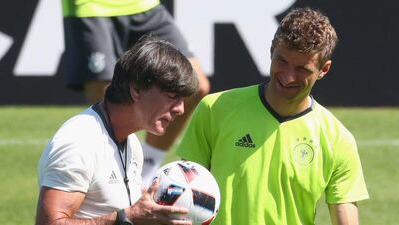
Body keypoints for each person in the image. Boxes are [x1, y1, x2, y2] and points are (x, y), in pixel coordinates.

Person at [176, 7, 369, 225]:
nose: (288, 76)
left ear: (324, 69)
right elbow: (184, 194)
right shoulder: (215, 109)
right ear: (271, 51)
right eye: (282, 61)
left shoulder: (337, 139)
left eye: (302, 69)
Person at [36, 37, 198, 225]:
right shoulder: (79, 142)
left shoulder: (131, 142)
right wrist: (125, 217)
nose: (180, 109)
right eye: (172, 96)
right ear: (136, 90)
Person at [61, 0, 210, 186]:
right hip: (91, 7)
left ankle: (146, 171)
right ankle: (110, 180)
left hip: (145, 6)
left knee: (196, 86)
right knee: (109, 102)